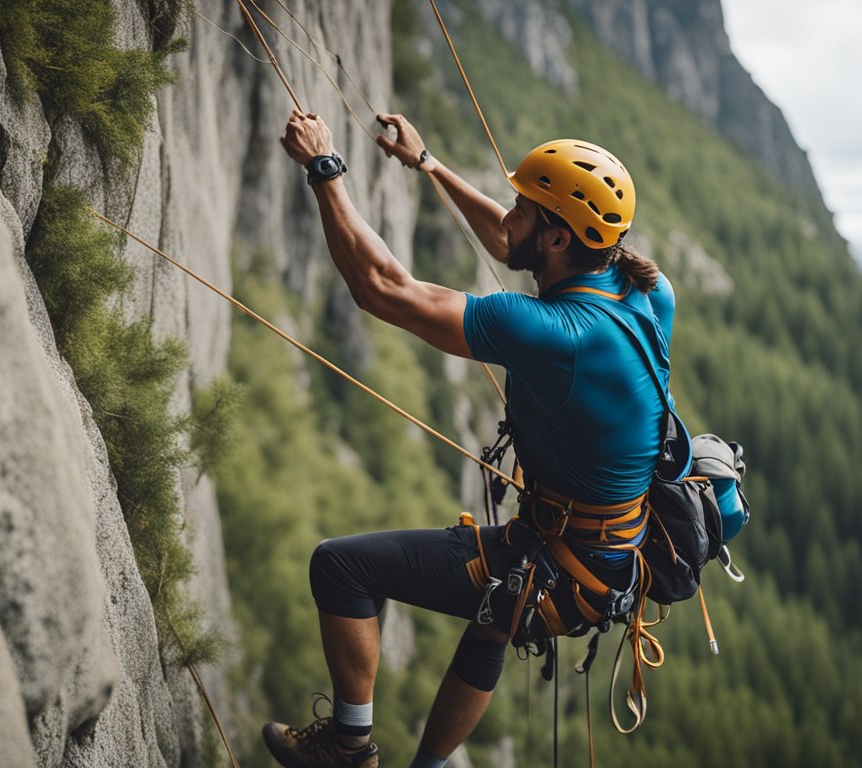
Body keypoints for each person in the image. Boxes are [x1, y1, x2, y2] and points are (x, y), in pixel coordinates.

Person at [262, 109, 675, 768]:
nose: (509, 214)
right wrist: (428, 166)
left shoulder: (557, 332)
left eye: (523, 207)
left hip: (560, 565)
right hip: (610, 560)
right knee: (493, 616)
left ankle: (349, 747)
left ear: (561, 240)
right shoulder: (649, 293)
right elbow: (516, 243)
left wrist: (323, 169)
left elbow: (383, 289)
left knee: (341, 568)